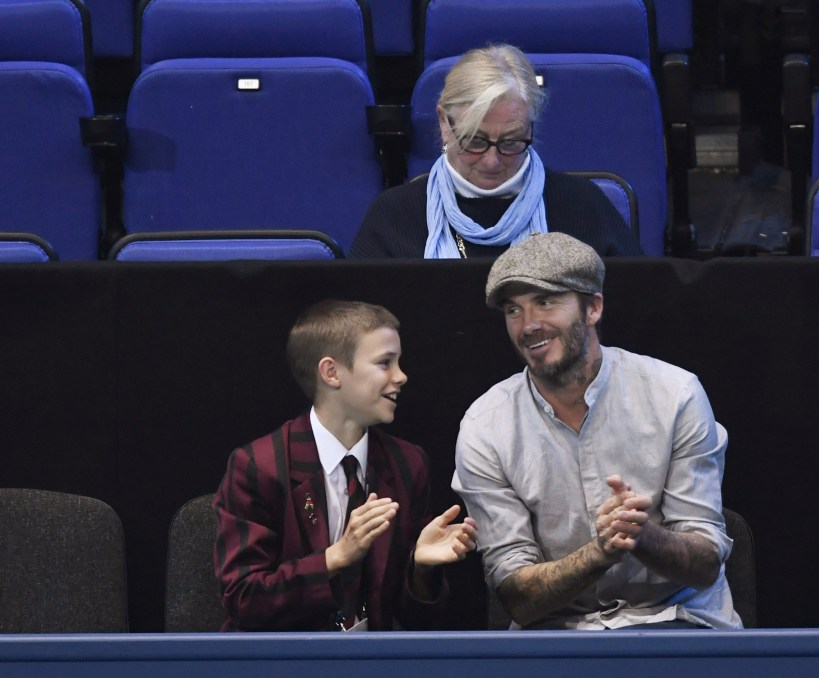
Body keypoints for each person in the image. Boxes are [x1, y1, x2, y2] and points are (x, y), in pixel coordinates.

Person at [452, 233, 741, 630]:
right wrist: (600, 552)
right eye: (513, 310)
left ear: (593, 308)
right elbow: (515, 595)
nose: (529, 325)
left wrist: (642, 536)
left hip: (676, 619)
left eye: (547, 302)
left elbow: (705, 563)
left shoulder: (675, 394)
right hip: (558, 635)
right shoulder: (485, 426)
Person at [214, 300, 477, 631]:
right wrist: (335, 558)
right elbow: (244, 599)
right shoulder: (259, 466)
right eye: (385, 363)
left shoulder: (407, 464)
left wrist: (420, 568)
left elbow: (413, 619)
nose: (401, 376)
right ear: (331, 372)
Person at [349, 44, 643, 259]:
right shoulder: (394, 217)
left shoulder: (583, 207)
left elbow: (634, 314)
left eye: (510, 142)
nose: (491, 161)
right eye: (475, 141)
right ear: (443, 123)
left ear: (531, 129)